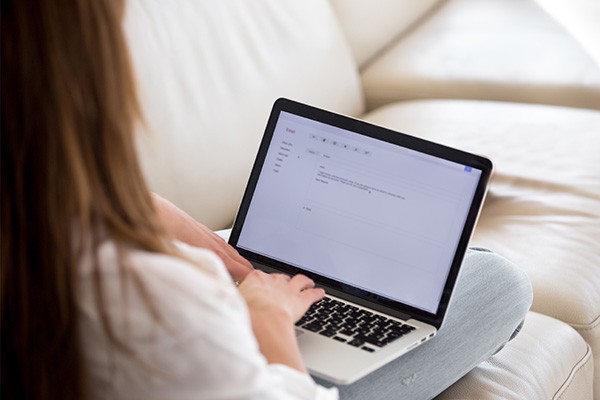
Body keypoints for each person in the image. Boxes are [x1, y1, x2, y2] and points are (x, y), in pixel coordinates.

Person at [0, 1, 532, 399]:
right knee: (496, 281)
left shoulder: (41, 209)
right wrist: (270, 320)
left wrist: (209, 246)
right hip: (244, 359)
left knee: (278, 265)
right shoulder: (153, 296)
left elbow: (64, 185)